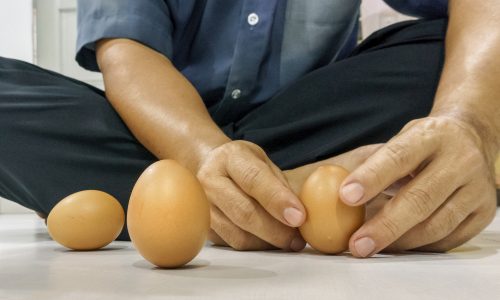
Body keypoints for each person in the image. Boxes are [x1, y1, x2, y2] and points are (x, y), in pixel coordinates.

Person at [0, 0, 498, 258]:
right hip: (156, 133)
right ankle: (293, 192)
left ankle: (216, 201)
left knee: (445, 56)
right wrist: (203, 155)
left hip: (306, 117)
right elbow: (127, 52)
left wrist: (467, 120)